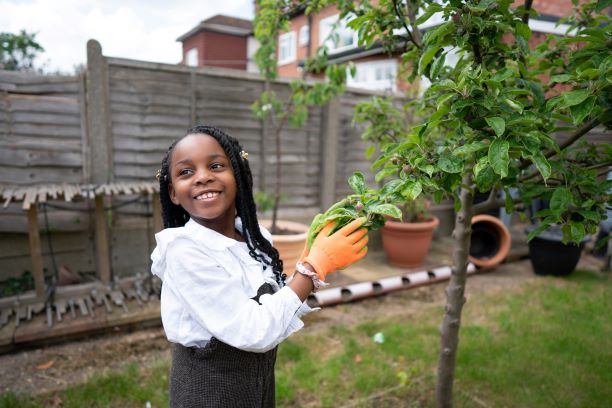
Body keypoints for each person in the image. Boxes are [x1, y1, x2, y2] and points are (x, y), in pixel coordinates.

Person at [151, 125, 369, 407]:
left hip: (257, 385)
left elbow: (273, 307)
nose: (203, 177)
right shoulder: (184, 251)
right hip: (208, 392)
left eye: (216, 165)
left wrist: (310, 258)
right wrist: (313, 268)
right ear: (173, 193)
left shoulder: (255, 238)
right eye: (185, 172)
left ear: (238, 175)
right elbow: (253, 329)